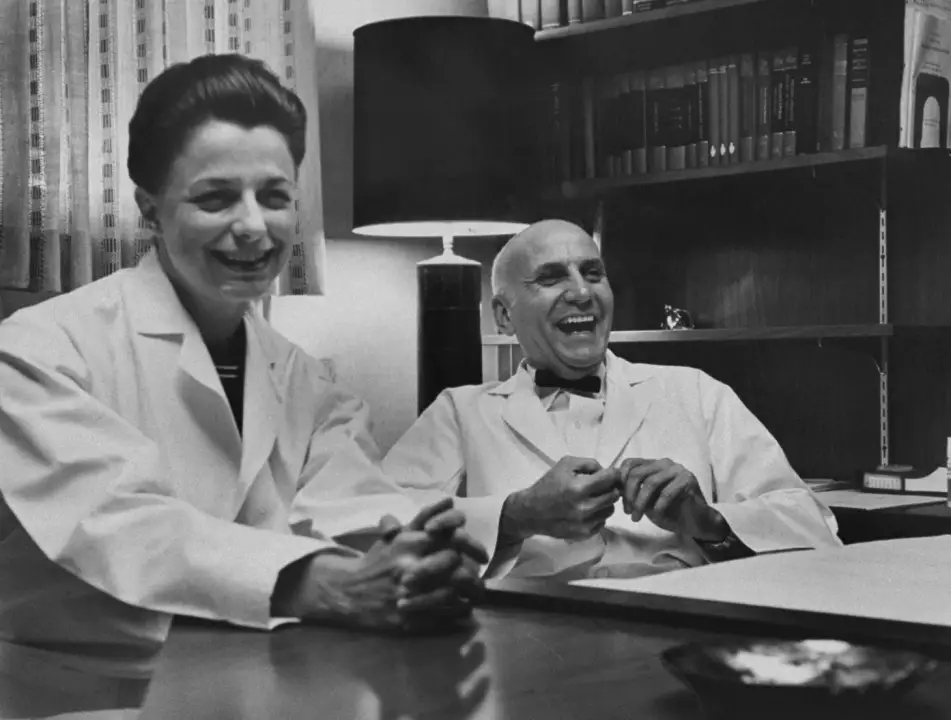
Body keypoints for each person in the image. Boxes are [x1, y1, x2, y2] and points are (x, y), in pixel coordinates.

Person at [0, 54, 486, 654]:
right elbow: (118, 525)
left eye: (275, 196)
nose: (254, 226)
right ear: (150, 208)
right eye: (215, 198)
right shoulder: (39, 351)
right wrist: (324, 584)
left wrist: (413, 556)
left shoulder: (308, 381)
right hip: (79, 681)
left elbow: (354, 508)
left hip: (265, 673)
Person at [383, 219, 841, 580]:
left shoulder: (696, 392)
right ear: (504, 316)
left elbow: (814, 525)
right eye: (551, 278)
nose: (582, 293)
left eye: (593, 274)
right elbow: (373, 524)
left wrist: (709, 520)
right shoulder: (460, 411)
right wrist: (517, 515)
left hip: (682, 622)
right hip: (527, 634)